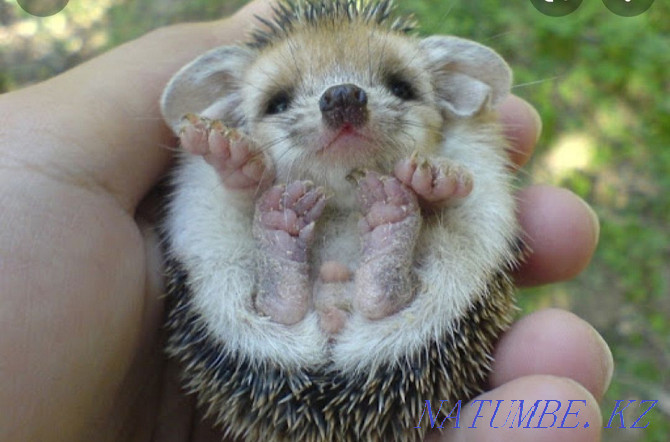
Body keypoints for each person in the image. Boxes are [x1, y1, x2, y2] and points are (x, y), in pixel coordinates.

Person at [0, 1, 611, 440]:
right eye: (280, 100)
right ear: (231, 104)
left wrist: (442, 189)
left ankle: (287, 281)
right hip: (362, 316)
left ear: (449, 90)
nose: (343, 100)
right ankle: (382, 269)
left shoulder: (439, 138)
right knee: (224, 195)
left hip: (311, 313)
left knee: (459, 198)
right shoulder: (248, 148)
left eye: (396, 84)